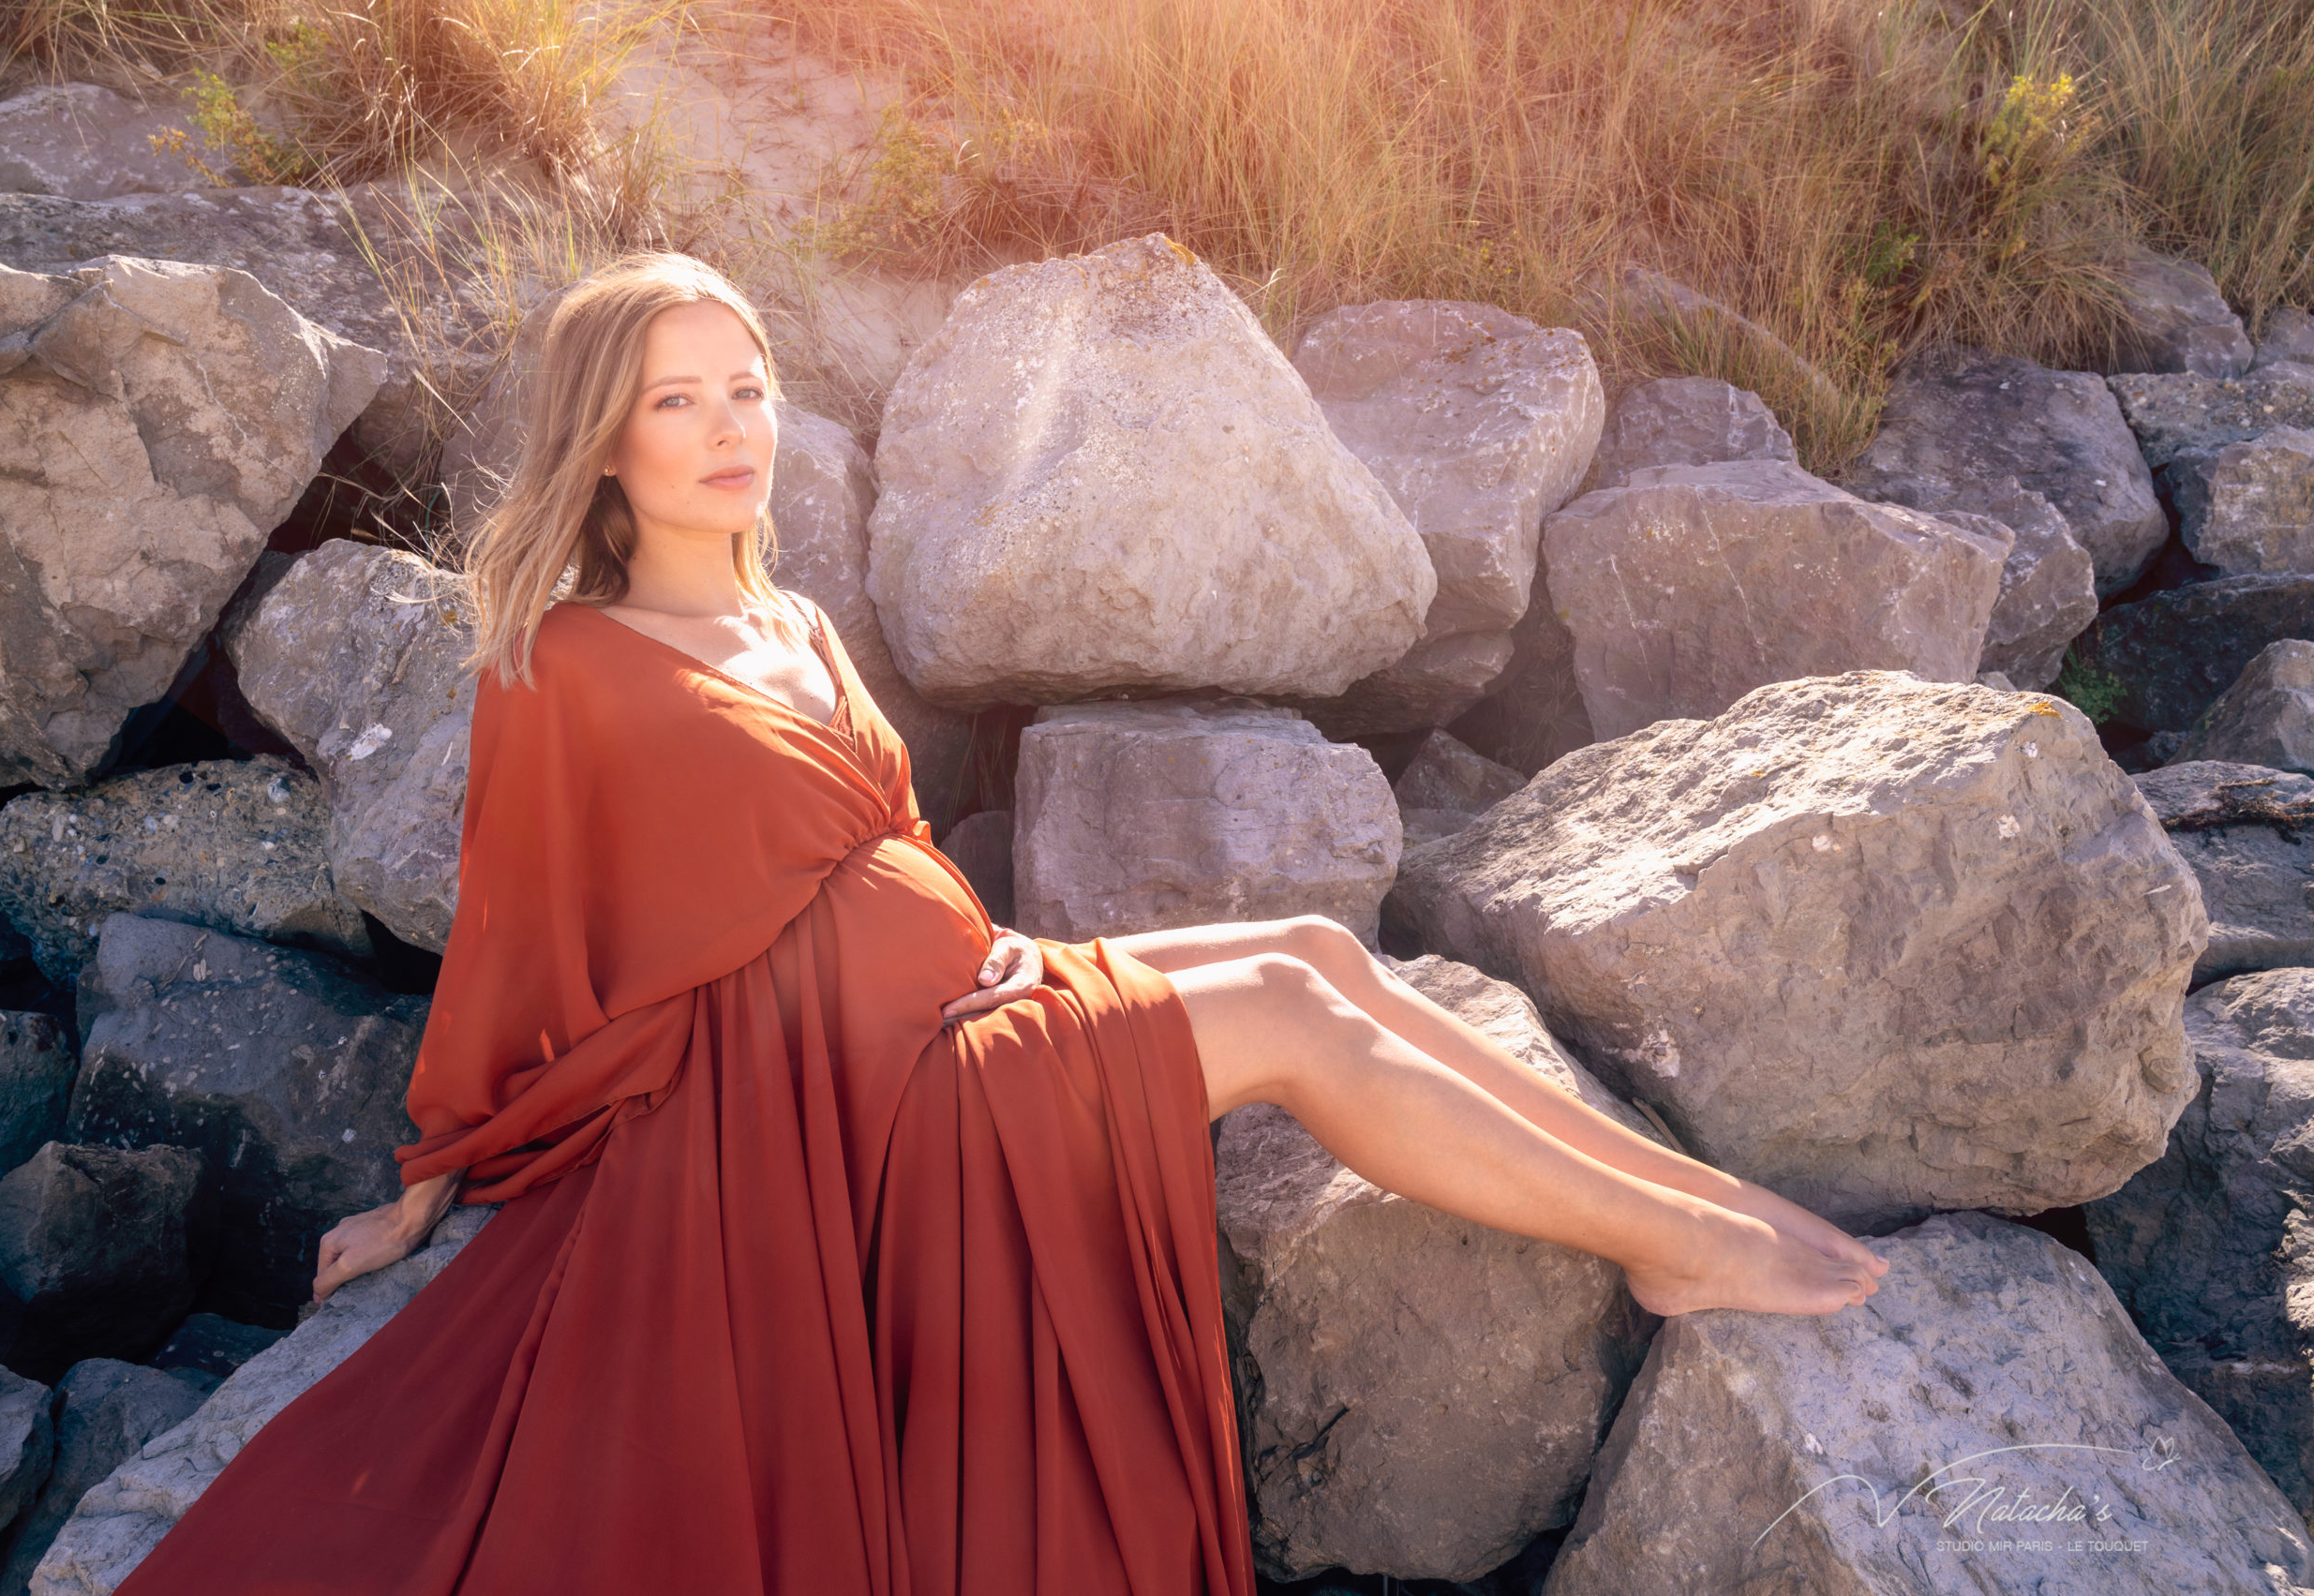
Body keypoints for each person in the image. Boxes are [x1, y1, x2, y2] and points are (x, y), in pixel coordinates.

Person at [112, 252, 1885, 1595]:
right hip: (860, 1116)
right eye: (678, 403)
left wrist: (993, 971)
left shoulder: (787, 619)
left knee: (1322, 956)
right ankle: (1677, 1244)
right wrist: (426, 1177)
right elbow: (517, 925)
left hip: (964, 998)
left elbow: (883, 849)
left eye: (745, 389)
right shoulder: (566, 665)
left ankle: (1683, 1197)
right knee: (1294, 1027)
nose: (731, 428)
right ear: (600, 449)